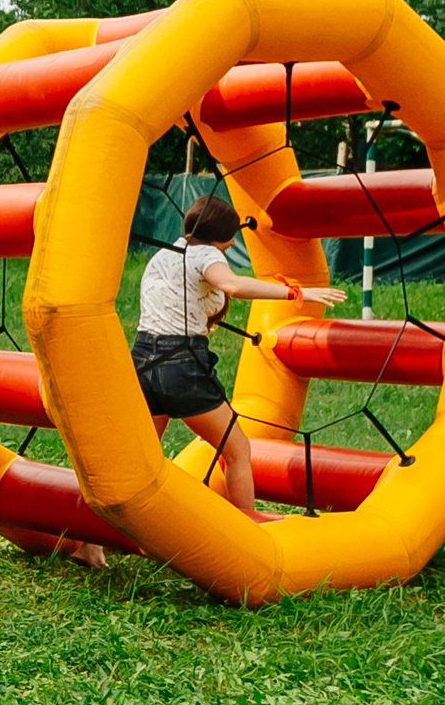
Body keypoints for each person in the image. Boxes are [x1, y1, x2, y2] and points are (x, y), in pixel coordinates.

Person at [131, 193, 347, 513]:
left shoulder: (164, 254)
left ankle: (91, 542)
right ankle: (249, 528)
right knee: (236, 450)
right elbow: (233, 286)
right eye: (231, 236)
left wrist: (200, 324)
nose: (232, 244)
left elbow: (172, 301)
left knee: (140, 460)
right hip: (181, 366)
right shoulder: (206, 254)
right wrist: (294, 292)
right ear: (220, 233)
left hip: (142, 360)